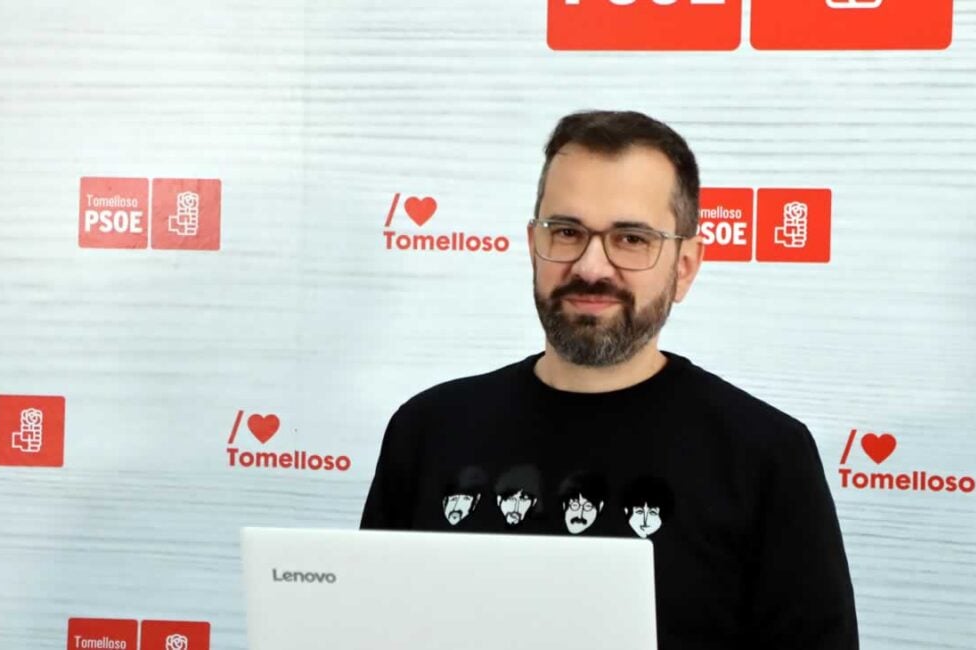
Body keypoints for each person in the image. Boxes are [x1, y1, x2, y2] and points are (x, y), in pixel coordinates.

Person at [360, 110, 858, 648]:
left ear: (685, 266)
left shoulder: (767, 457)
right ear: (533, 245)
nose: (591, 267)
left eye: (631, 238)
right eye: (567, 232)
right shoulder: (428, 430)